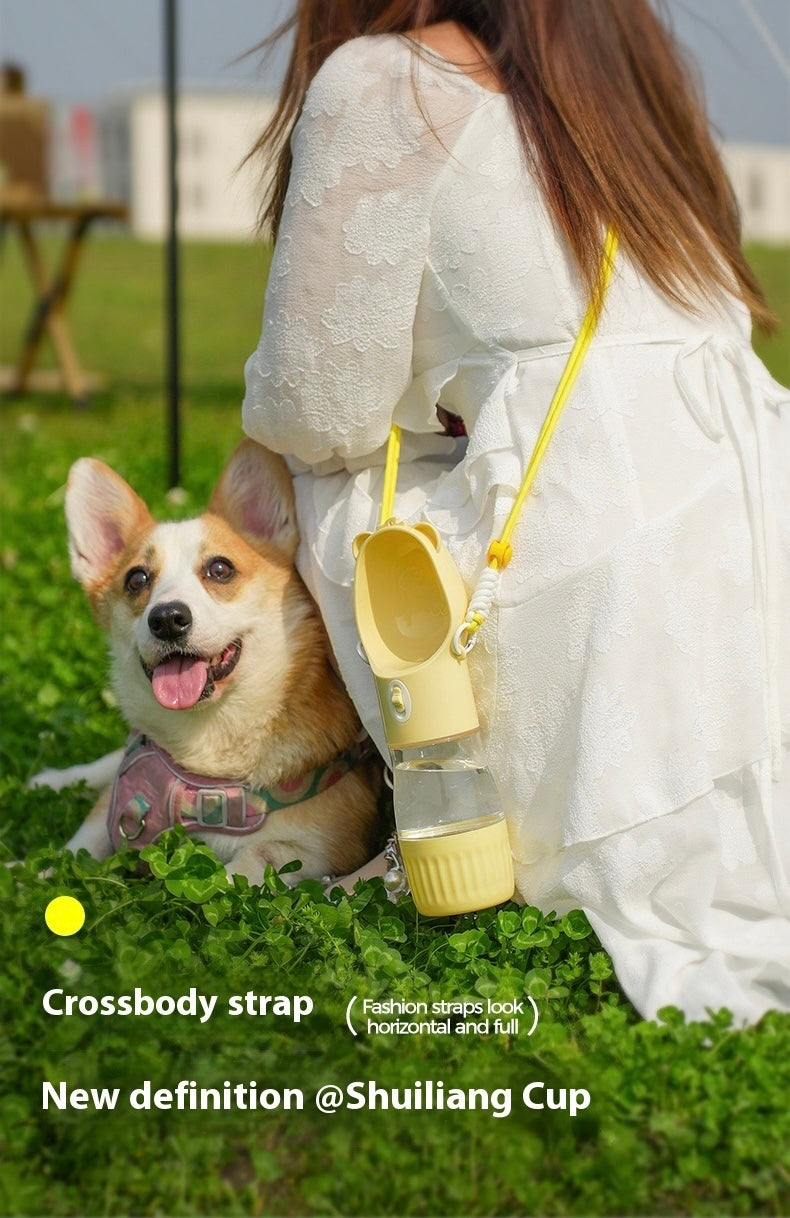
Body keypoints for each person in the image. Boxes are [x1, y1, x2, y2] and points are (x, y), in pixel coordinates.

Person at [241, 0, 789, 1024]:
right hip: (752, 546)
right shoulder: (636, 84)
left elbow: (316, 409)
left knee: (315, 471)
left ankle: (431, 783)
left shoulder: (386, 80)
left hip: (597, 579)